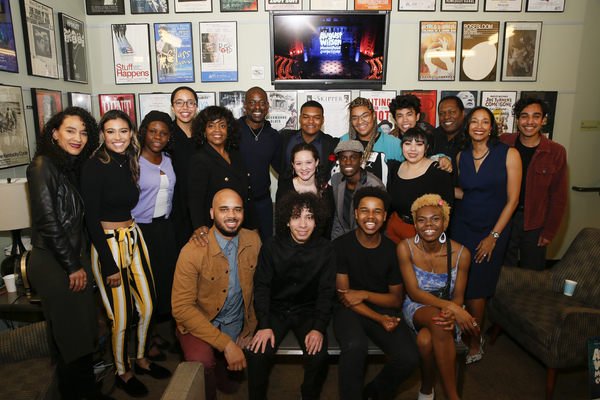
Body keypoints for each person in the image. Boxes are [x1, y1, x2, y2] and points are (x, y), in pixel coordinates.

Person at [81, 110, 171, 398]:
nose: (117, 137)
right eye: (110, 132)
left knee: (147, 306)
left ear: (132, 133)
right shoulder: (93, 166)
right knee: (121, 317)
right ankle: (122, 372)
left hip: (133, 237)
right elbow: (90, 220)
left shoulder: (130, 160)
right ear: (102, 135)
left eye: (123, 131)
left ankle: (141, 358)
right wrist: (109, 265)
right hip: (107, 244)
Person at [27, 107, 111, 400]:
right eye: (70, 131)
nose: (78, 138)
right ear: (54, 133)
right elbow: (48, 224)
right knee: (72, 337)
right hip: (56, 263)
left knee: (81, 331)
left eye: (84, 132)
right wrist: (73, 266)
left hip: (72, 258)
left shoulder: (69, 166)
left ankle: (85, 390)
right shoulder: (42, 166)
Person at [172, 189, 261, 400]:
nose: (232, 215)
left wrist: (250, 328)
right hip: (200, 321)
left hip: (234, 320)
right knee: (203, 362)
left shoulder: (254, 241)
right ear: (212, 213)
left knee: (231, 386)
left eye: (237, 209)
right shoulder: (192, 251)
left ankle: (223, 369)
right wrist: (227, 345)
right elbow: (181, 308)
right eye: (224, 210)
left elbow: (260, 289)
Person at [333, 187, 419, 400]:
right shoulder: (340, 246)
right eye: (364, 211)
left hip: (381, 306)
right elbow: (345, 297)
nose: (370, 217)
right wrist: (379, 318)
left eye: (377, 211)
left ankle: (373, 393)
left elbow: (396, 299)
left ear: (385, 216)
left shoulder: (393, 250)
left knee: (409, 357)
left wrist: (364, 294)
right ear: (355, 214)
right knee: (354, 347)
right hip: (348, 310)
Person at [450, 106, 522, 364]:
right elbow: (465, 193)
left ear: (492, 127)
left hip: (492, 228)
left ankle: (474, 339)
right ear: (467, 126)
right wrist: (437, 191)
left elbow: (513, 201)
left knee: (476, 289)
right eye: (474, 122)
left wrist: (493, 236)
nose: (479, 126)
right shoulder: (461, 157)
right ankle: (462, 330)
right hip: (462, 225)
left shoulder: (509, 154)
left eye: (485, 122)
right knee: (459, 284)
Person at [248, 192, 335, 400]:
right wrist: (265, 324)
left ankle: (309, 395)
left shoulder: (326, 249)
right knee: (257, 355)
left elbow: (326, 292)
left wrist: (317, 328)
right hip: (275, 310)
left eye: (309, 217)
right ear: (287, 221)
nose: (303, 224)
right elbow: (261, 287)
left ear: (316, 221)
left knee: (320, 356)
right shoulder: (270, 246)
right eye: (296, 217)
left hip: (308, 311)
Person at [398, 194, 474, 400]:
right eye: (421, 220)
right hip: (416, 306)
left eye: (435, 218)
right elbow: (413, 292)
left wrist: (452, 309)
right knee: (439, 324)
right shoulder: (405, 247)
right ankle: (453, 396)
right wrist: (455, 310)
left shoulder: (461, 253)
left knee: (425, 341)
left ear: (445, 222)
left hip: (447, 310)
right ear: (415, 224)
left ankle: (426, 388)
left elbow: (458, 295)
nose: (428, 224)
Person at [501, 97, 568, 270]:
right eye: (524, 116)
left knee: (533, 277)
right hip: (505, 218)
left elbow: (559, 197)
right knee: (502, 274)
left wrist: (550, 232)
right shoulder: (503, 143)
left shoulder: (556, 151)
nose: (530, 122)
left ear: (543, 120)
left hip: (535, 223)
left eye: (536, 116)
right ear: (517, 120)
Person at [131, 111, 178, 355]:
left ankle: (154, 333)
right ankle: (145, 344)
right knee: (145, 287)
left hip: (164, 227)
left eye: (163, 132)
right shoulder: (133, 161)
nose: (157, 137)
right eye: (153, 131)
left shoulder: (169, 159)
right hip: (140, 229)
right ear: (143, 132)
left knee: (162, 283)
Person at [188, 105, 259, 244]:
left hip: (242, 226)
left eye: (222, 125)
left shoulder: (236, 155)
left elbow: (248, 195)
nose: (217, 130)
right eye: (211, 126)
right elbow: (195, 200)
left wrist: (255, 226)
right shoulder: (199, 159)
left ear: (228, 130)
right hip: (215, 230)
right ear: (204, 130)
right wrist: (199, 227)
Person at [339, 97, 451, 186]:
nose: (360, 121)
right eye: (355, 118)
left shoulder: (393, 143)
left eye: (365, 116)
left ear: (373, 116)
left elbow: (417, 160)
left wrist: (441, 158)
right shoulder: (344, 141)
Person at [386, 127, 454, 243]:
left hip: (424, 232)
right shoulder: (395, 168)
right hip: (395, 228)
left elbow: (447, 208)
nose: (412, 149)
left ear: (426, 148)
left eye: (419, 144)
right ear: (402, 146)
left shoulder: (438, 170)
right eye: (408, 144)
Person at [238, 87, 282, 241]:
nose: (257, 107)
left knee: (266, 245)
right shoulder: (233, 132)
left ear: (267, 106)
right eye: (252, 103)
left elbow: (281, 168)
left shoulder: (273, 136)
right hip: (237, 202)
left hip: (263, 202)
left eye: (262, 103)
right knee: (238, 248)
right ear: (245, 106)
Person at [276, 142, 334, 238]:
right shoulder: (284, 189)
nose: (304, 168)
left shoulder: (327, 190)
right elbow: (281, 225)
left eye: (308, 162)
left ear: (317, 162)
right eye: (298, 163)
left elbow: (329, 227)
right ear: (293, 165)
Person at [330, 140, 385, 240]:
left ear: (361, 160)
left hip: (368, 238)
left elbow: (378, 222)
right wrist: (335, 244)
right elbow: (338, 218)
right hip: (343, 238)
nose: (348, 162)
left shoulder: (374, 186)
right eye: (343, 158)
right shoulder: (336, 180)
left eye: (353, 158)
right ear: (338, 161)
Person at [169, 86, 199, 249]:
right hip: (175, 207)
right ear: (172, 107)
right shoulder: (166, 136)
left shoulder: (204, 135)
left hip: (201, 206)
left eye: (190, 103)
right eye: (179, 103)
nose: (185, 108)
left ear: (196, 106)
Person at [280, 100, 339, 179]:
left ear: (322, 120)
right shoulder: (285, 137)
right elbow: (279, 165)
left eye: (316, 117)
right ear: (300, 119)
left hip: (319, 190)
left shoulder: (332, 144)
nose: (311, 121)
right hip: (287, 190)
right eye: (306, 117)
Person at [432, 96, 466, 162]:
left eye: (452, 112)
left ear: (463, 113)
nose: (446, 117)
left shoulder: (472, 139)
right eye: (442, 113)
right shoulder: (431, 137)